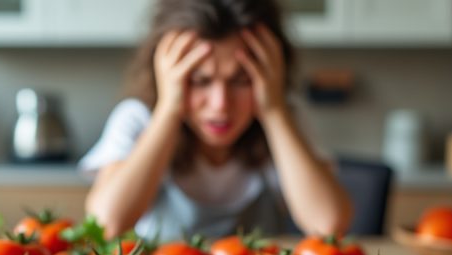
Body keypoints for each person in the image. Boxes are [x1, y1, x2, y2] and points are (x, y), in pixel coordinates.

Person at [79, 0, 353, 241]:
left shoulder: (284, 118)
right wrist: (168, 110)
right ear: (165, 74)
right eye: (200, 80)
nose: (220, 104)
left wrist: (274, 111)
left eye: (241, 80)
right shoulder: (138, 119)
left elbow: (328, 224)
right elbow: (106, 225)